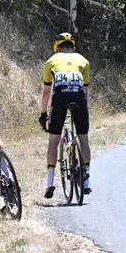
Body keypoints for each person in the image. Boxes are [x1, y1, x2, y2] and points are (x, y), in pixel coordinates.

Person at [40, 33, 92, 198]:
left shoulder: (51, 61)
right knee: (83, 137)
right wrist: (84, 108)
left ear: (58, 48)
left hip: (60, 97)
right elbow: (86, 90)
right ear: (73, 48)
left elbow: (46, 92)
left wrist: (43, 114)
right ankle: (86, 181)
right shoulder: (83, 60)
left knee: (53, 140)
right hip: (79, 97)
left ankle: (50, 183)